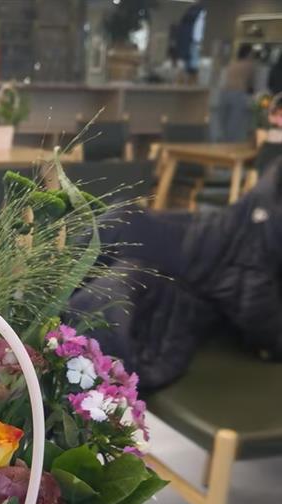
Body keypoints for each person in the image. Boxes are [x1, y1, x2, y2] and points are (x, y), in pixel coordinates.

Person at [67, 158, 282, 390]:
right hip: (168, 254)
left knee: (109, 269)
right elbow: (249, 290)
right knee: (110, 277)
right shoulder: (263, 221)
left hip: (164, 247)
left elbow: (247, 285)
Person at [217, 44, 255, 142]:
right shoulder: (249, 65)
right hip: (238, 93)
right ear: (248, 54)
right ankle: (231, 143)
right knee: (234, 122)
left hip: (224, 92)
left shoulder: (232, 63)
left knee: (223, 120)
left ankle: (222, 141)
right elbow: (250, 83)